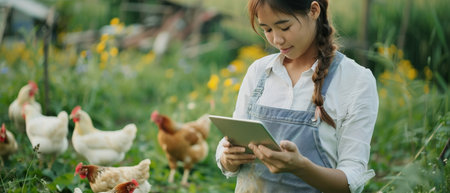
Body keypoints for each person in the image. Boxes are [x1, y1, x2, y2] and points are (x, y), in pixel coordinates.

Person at [215, 0, 378, 193]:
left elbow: (353, 178)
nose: (277, 40)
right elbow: (231, 142)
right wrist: (228, 158)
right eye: (267, 30)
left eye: (284, 27)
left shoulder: (355, 80)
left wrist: (302, 167)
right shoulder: (259, 71)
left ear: (314, 10)